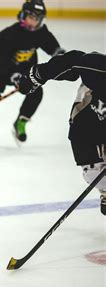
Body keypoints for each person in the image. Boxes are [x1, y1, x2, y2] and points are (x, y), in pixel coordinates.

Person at [0, 0, 65, 145]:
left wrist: (59, 55)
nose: (33, 22)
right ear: (23, 16)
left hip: (24, 70)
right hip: (1, 71)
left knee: (36, 92)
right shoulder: (6, 35)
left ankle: (21, 121)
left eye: (37, 19)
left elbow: (51, 46)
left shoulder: (41, 32)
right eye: (31, 17)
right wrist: (12, 75)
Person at [17, 50, 106, 214]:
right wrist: (38, 75)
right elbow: (74, 61)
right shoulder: (99, 69)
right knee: (93, 173)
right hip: (87, 121)